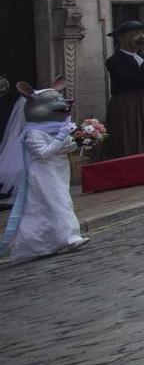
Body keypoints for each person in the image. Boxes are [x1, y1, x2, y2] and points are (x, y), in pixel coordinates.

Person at [3, 85, 85, 263]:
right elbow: (43, 153)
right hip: (42, 173)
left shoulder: (58, 127)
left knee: (49, 206)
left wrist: (81, 140)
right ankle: (70, 238)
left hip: (58, 171)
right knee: (58, 203)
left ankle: (39, 244)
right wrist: (61, 137)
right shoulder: (33, 133)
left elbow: (64, 148)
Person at [102, 20, 144, 159]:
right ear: (122, 38)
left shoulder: (142, 58)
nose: (141, 36)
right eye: (135, 33)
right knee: (130, 136)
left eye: (141, 32)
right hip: (127, 105)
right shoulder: (114, 61)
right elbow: (130, 80)